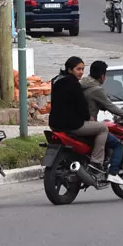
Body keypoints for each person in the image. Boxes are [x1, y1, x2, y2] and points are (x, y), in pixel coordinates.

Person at [48, 56, 108, 185]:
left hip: (54, 124)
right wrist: (88, 117)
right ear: (70, 69)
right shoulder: (73, 83)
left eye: (82, 69)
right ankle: (96, 163)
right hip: (72, 124)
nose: (81, 72)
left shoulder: (55, 80)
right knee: (103, 128)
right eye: (78, 69)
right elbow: (81, 105)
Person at [80, 61, 123, 185]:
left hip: (77, 121)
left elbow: (95, 103)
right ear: (103, 76)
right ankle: (112, 172)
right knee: (117, 144)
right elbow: (110, 106)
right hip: (87, 124)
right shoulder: (96, 89)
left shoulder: (82, 84)